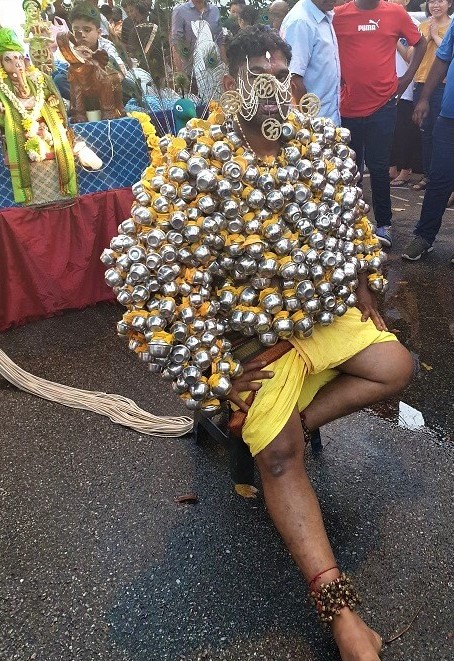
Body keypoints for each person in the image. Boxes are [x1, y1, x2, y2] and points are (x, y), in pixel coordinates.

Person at [110, 24, 415, 660]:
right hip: (247, 342)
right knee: (281, 458)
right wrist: (216, 375)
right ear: (227, 82)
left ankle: (264, 429)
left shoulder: (317, 144)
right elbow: (150, 281)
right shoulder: (192, 166)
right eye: (257, 65)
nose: (273, 73)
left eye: (280, 63)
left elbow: (350, 223)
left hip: (312, 318)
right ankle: (340, 614)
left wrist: (366, 292)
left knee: (393, 364)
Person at [333, 0, 426, 249]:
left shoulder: (395, 13)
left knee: (379, 166)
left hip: (382, 107)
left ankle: (383, 224)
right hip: (346, 108)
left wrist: (406, 79)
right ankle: (350, 222)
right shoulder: (338, 15)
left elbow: (421, 43)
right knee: (348, 169)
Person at [0, 27, 77, 203]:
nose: (17, 63)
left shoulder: (38, 78)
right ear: (1, 65)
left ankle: (65, 191)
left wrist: (51, 104)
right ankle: (27, 197)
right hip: (19, 136)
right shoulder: (2, 87)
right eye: (9, 60)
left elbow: (55, 103)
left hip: (45, 131)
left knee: (59, 144)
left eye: (19, 58)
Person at [402, 19, 454, 262]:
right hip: (448, 116)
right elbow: (442, 59)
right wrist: (424, 98)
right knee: (439, 178)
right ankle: (424, 237)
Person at [411, 0, 453, 191]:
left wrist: (435, 35)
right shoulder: (422, 26)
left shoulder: (451, 25)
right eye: (432, 1)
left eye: (440, 1)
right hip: (421, 84)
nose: (435, 5)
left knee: (441, 134)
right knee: (425, 133)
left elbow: (448, 55)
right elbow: (411, 56)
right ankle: (428, 175)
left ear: (449, 4)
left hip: (443, 86)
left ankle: (442, 179)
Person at [280, 0, 341, 125]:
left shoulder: (323, 15)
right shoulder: (301, 21)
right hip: (314, 127)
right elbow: (293, 80)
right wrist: (308, 126)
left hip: (329, 120)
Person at [53, 1, 127, 101]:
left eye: (87, 30)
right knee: (59, 79)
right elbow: (62, 68)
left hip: (105, 92)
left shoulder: (106, 47)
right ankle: (84, 106)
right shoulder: (70, 48)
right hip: (82, 93)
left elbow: (121, 71)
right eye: (76, 30)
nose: (82, 35)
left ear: (99, 32)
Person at [388, 0, 423, 187]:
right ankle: (392, 167)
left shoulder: (413, 23)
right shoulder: (384, 18)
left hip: (406, 85)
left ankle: (405, 169)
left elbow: (410, 55)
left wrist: (394, 41)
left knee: (404, 130)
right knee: (391, 129)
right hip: (387, 83)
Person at [171, 0, 226, 98]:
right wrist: (181, 74)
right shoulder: (180, 11)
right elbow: (176, 44)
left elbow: (220, 41)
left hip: (214, 72)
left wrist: (225, 68)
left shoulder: (214, 11)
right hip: (190, 74)